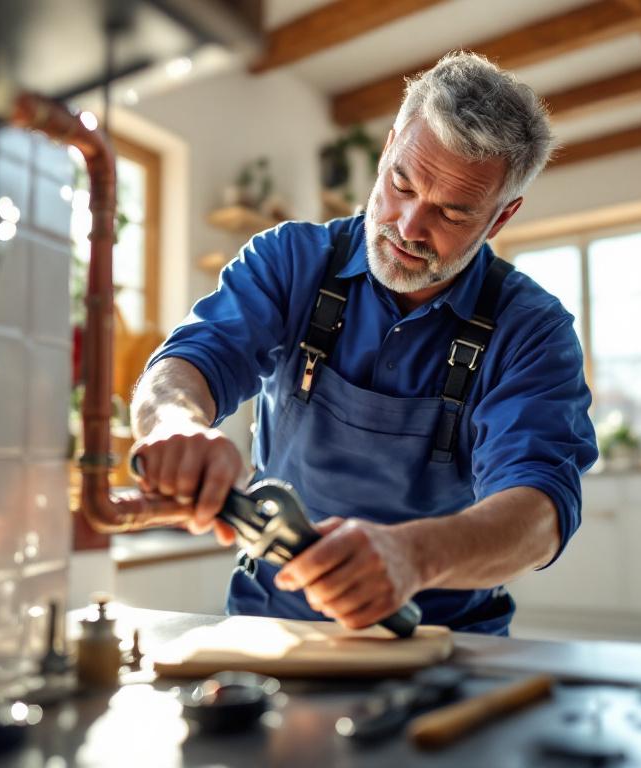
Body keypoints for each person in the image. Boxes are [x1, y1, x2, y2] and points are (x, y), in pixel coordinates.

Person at [130, 51, 598, 636]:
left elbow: (539, 512)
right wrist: (174, 424)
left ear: (500, 219)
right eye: (401, 183)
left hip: (444, 640)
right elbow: (189, 363)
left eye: (452, 213)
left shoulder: (533, 330)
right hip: (274, 624)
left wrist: (414, 557)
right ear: (387, 149)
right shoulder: (289, 262)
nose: (407, 227)